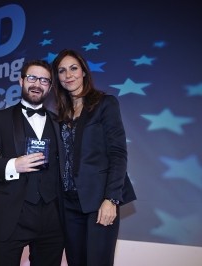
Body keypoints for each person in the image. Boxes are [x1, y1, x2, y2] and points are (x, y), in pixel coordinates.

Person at [51, 49, 137, 266]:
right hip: (68, 203)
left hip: (99, 201)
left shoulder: (105, 103)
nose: (68, 75)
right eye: (62, 71)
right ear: (58, 78)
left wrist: (111, 199)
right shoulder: (60, 114)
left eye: (73, 68)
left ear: (84, 72)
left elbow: (118, 153)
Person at [0, 60, 65, 266]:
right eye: (32, 78)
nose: (37, 84)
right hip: (11, 215)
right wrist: (13, 166)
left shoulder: (60, 122)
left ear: (50, 87)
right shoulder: (0, 119)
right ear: (21, 81)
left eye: (44, 80)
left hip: (52, 219)